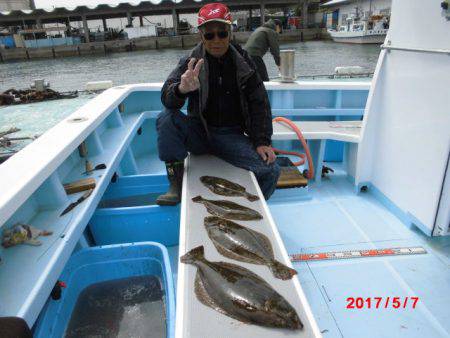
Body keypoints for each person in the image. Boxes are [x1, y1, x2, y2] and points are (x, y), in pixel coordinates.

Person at [156, 2, 280, 206]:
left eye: (222, 33)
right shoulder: (190, 61)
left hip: (231, 136)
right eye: (209, 35)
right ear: (201, 36)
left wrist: (262, 141)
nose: (216, 40)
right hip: (199, 132)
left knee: (271, 170)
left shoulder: (244, 61)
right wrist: (182, 90)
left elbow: (259, 102)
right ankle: (175, 182)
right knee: (167, 117)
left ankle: (253, 207)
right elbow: (167, 96)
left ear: (230, 32)